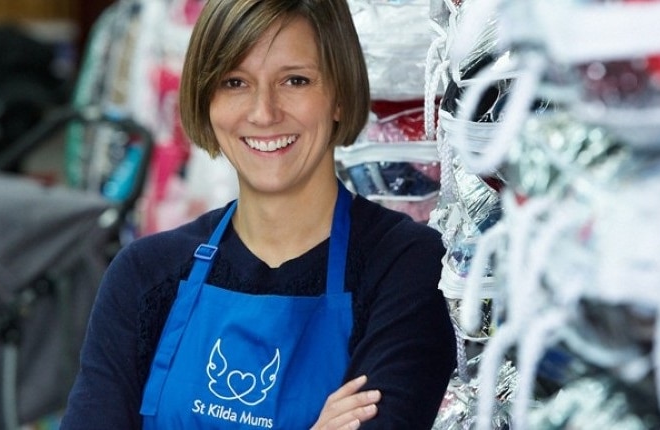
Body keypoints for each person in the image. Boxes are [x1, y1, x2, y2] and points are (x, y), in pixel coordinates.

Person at [60, 0, 456, 428]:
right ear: (206, 102)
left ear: (339, 96)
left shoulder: (405, 266)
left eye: (295, 81)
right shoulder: (144, 274)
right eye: (235, 82)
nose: (264, 112)